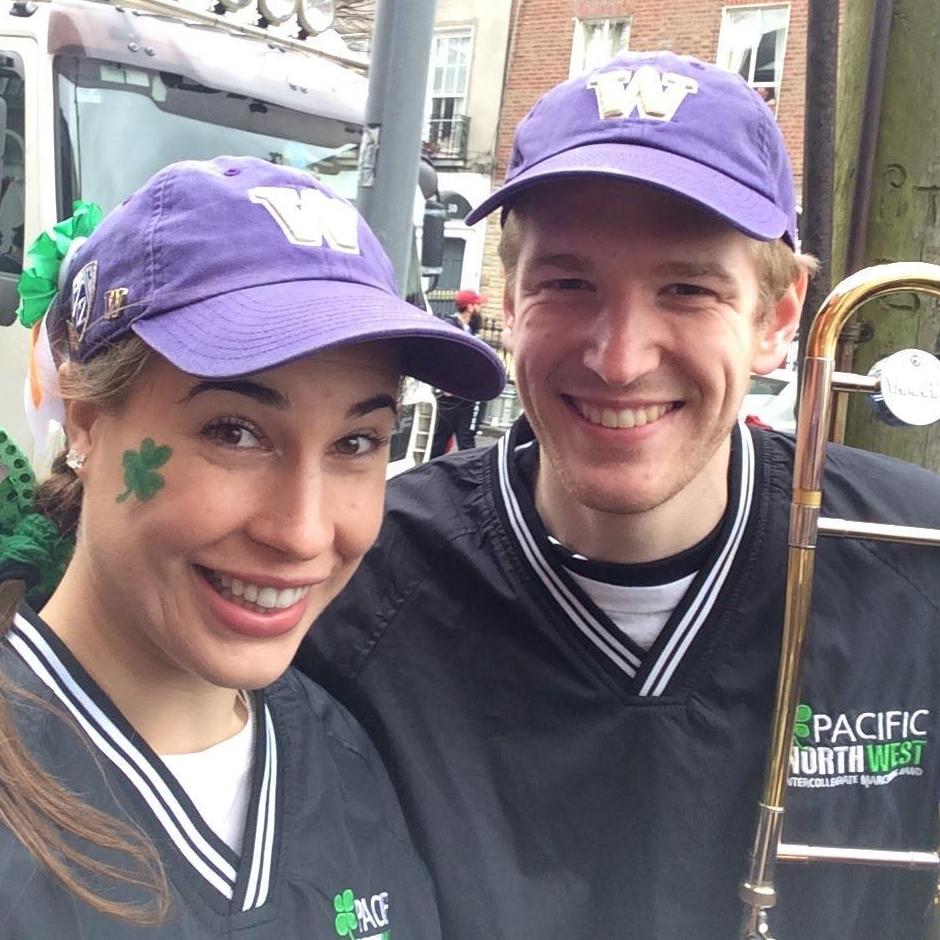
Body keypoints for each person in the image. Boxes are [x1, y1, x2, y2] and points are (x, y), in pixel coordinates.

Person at [298, 52, 940, 940]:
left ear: (777, 318)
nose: (620, 357)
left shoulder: (916, 561)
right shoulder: (353, 589)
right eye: (567, 284)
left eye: (687, 289)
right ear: (513, 301)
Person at [0, 156, 504, 938]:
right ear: (88, 422)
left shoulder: (346, 756)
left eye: (358, 441)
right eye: (235, 432)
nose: (303, 532)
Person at [429, 288, 487, 456]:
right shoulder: (450, 327)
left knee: (466, 439)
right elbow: (441, 356)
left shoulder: (471, 330)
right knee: (439, 441)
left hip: (467, 395)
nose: (480, 309)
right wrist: (445, 382)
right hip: (451, 396)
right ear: (470, 307)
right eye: (478, 305)